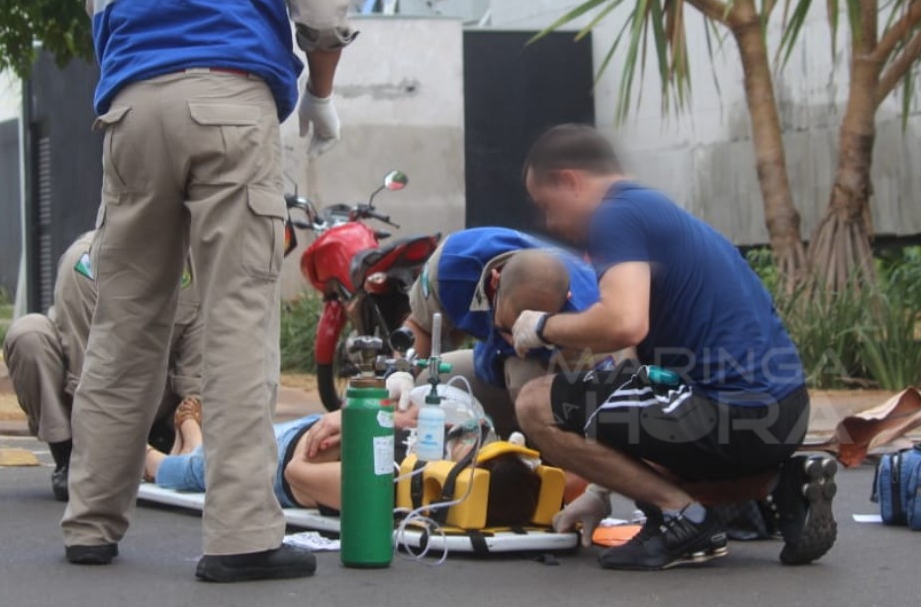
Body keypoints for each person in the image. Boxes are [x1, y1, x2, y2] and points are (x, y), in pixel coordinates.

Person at [63, 0, 355, 581]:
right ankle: (241, 536)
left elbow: (99, 7)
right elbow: (320, 7)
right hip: (230, 101)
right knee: (235, 315)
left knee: (123, 319)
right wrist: (319, 94)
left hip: (131, 113)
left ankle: (90, 522)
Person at [511, 125, 835, 571]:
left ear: (570, 180)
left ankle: (685, 520)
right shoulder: (654, 210)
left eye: (546, 206)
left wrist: (544, 327)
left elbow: (625, 322)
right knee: (639, 442)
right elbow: (629, 381)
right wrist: (598, 494)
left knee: (535, 404)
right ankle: (784, 485)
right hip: (781, 416)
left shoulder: (613, 217)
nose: (549, 223)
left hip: (728, 412)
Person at [144, 384, 543, 527]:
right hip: (317, 428)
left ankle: (150, 449)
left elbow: (299, 474)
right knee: (205, 456)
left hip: (278, 462)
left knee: (181, 470)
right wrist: (363, 416)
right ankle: (190, 432)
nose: (459, 441)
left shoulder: (389, 491)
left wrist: (351, 426)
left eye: (470, 452)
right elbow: (418, 411)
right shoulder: (439, 453)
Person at [3, 232, 202, 502]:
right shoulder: (84, 263)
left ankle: (161, 443)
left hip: (158, 392)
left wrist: (193, 442)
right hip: (94, 392)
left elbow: (194, 376)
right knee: (28, 336)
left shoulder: (194, 264)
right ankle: (70, 458)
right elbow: (89, 379)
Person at [402, 230, 602, 437]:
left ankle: (533, 455)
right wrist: (403, 372)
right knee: (427, 384)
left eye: (526, 332)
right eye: (508, 329)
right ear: (494, 282)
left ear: (565, 300)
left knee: (523, 377)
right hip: (490, 362)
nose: (515, 341)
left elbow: (601, 400)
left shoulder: (588, 310)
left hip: (555, 373)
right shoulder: (451, 266)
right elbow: (420, 326)